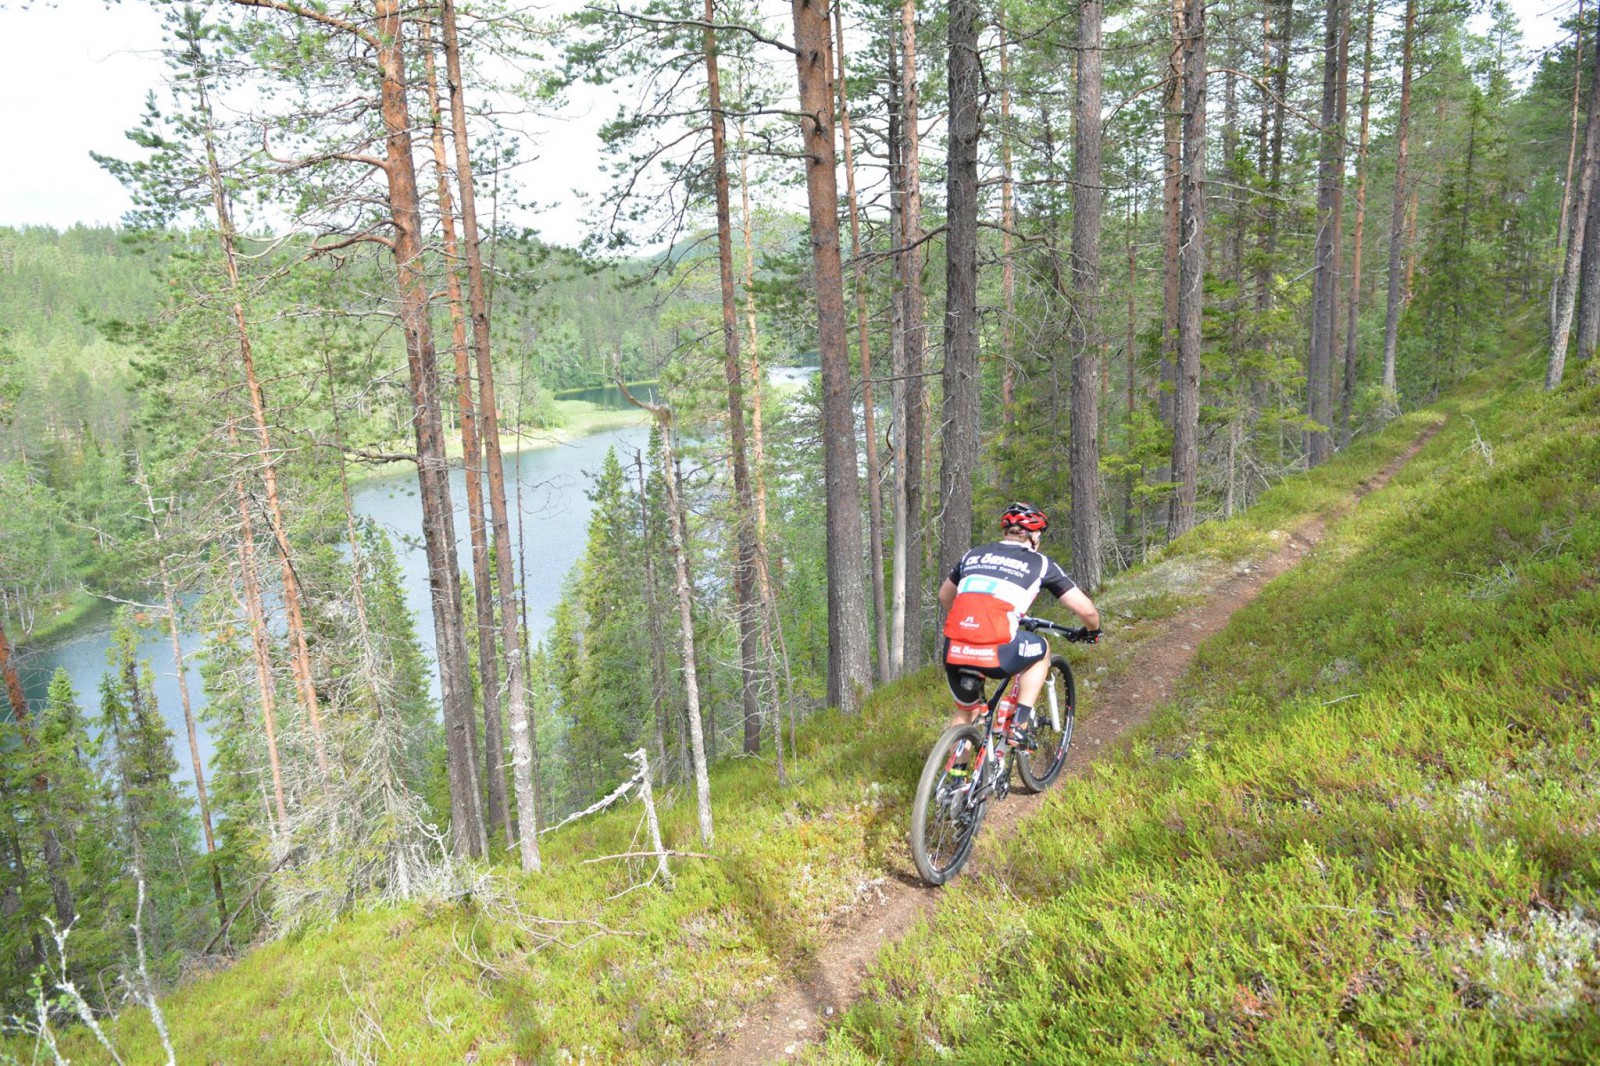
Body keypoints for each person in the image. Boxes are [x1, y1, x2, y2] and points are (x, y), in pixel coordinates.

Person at [937, 501, 1101, 752]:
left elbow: (945, 596)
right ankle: (1019, 725)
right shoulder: (1040, 563)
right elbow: (1086, 609)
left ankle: (956, 783)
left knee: (965, 713)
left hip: (954, 647)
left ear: (1006, 531)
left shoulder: (972, 554)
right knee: (1042, 649)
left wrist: (972, 624)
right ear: (1034, 535)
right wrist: (1093, 631)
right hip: (996, 651)